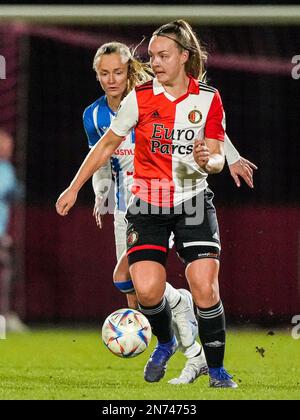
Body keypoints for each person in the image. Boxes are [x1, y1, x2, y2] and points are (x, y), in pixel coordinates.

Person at [56, 20, 253, 388]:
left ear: (184, 56)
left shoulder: (208, 98)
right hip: (147, 203)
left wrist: (205, 159)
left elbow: (215, 158)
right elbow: (106, 146)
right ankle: (166, 341)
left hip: (192, 200)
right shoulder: (139, 98)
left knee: (204, 286)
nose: (156, 62)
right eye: (152, 56)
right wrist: (74, 187)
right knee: (143, 289)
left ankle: (218, 371)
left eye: (163, 56)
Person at [0, 130, 27, 332]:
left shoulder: (6, 167)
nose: (9, 149)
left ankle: (5, 317)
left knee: (6, 271)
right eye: (5, 145)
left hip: (1, 231)